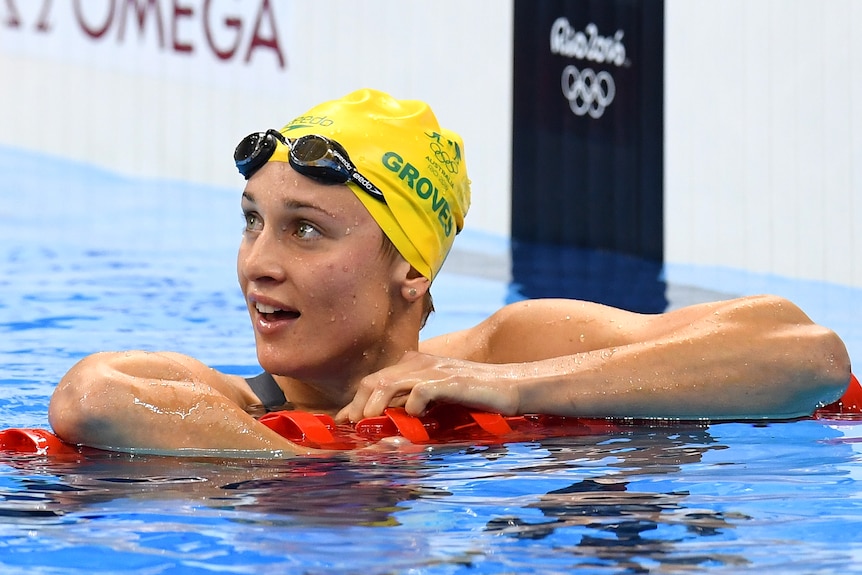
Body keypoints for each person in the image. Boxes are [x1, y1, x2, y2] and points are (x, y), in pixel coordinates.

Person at [48, 89, 852, 456]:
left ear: (409, 266)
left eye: (304, 230)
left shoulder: (514, 347)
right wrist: (308, 458)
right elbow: (92, 397)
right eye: (254, 221)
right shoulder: (230, 405)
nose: (259, 264)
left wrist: (518, 389)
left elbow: (807, 354)